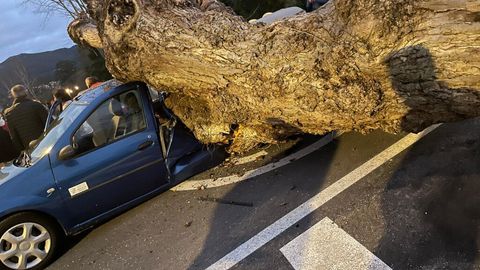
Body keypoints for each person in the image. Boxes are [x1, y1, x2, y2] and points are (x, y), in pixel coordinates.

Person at [4, 85, 48, 151]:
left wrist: (22, 150)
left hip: (30, 149)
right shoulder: (36, 105)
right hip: (46, 142)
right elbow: (49, 123)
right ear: (25, 92)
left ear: (13, 95)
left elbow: (14, 137)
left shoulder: (9, 113)